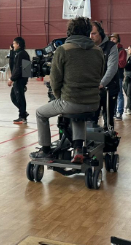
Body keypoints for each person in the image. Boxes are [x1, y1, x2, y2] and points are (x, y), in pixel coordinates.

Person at [30, 17, 105, 163]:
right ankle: (78, 148)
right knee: (77, 114)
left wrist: (59, 97)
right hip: (93, 103)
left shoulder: (63, 50)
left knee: (40, 113)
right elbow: (100, 75)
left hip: (71, 101)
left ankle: (45, 150)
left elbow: (55, 80)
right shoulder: (98, 51)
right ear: (88, 32)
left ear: (69, 32)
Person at [90, 21, 119, 127]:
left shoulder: (111, 47)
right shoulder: (88, 47)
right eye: (89, 34)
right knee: (92, 120)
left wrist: (101, 83)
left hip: (109, 89)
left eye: (94, 33)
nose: (91, 37)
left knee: (108, 119)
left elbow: (112, 68)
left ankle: (109, 134)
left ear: (100, 33)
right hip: (93, 91)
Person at [7, 36, 30, 124]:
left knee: (20, 97)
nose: (13, 45)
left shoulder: (21, 54)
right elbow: (13, 65)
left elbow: (18, 69)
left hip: (19, 79)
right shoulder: (22, 53)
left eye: (14, 43)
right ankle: (23, 112)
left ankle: (22, 116)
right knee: (13, 96)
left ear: (18, 44)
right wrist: (11, 52)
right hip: (21, 79)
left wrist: (12, 79)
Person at [110, 33, 127, 119]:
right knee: (112, 94)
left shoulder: (121, 50)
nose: (112, 40)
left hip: (118, 75)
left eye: (114, 38)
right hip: (110, 75)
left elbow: (122, 63)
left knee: (119, 94)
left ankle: (119, 112)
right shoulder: (110, 49)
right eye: (111, 39)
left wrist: (112, 64)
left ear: (118, 40)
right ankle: (113, 112)